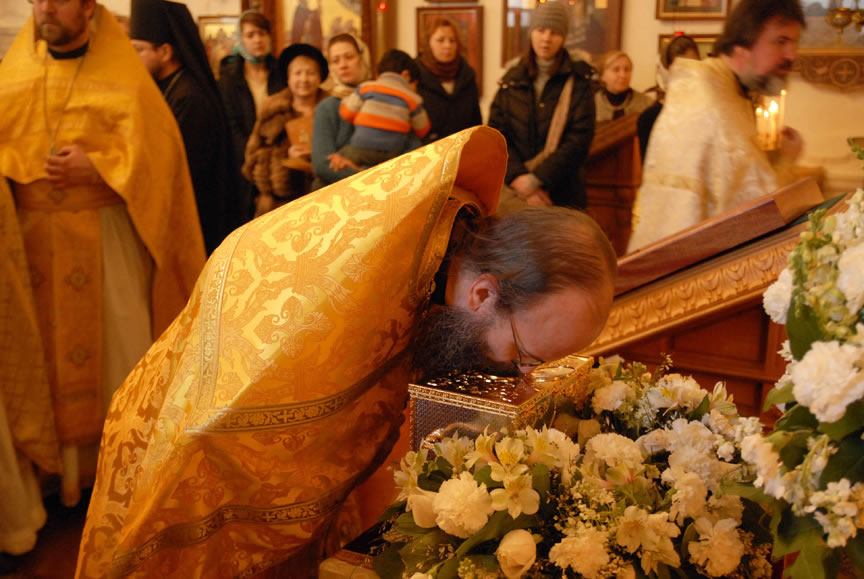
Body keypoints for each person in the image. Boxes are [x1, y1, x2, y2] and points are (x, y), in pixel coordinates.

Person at [75, 126, 617, 578]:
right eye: (523, 354)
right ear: (482, 294)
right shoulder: (351, 288)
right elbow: (226, 437)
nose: (521, 377)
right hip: (189, 454)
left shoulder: (455, 246)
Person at [0, 0, 204, 531]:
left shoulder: (125, 77)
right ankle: (52, 479)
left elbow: (161, 159)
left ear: (88, 7)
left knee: (119, 359)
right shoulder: (13, 76)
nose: (46, 7)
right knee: (38, 362)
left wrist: (102, 166)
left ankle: (115, 479)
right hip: (27, 250)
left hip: (106, 243)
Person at [628, 0, 806, 252]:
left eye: (794, 43)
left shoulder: (726, 91)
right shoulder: (709, 104)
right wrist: (786, 160)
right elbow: (752, 214)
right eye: (781, 41)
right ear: (743, 44)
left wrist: (774, 157)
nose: (791, 55)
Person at [129, 0, 236, 254]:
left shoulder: (190, 98)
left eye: (139, 50)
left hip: (194, 222)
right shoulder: (167, 88)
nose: (133, 59)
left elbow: (183, 169)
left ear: (165, 52)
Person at [488, 0, 595, 211]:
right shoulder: (511, 80)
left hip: (563, 194)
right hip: (515, 192)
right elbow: (496, 135)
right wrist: (519, 178)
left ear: (564, 37)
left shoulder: (579, 80)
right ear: (531, 32)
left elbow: (579, 139)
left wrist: (536, 180)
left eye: (554, 32)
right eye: (541, 30)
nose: (546, 38)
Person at [243, 44, 329, 216]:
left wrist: (319, 156)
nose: (304, 79)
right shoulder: (271, 110)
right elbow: (251, 159)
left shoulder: (333, 109)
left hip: (325, 201)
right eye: (297, 73)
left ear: (320, 77)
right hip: (278, 206)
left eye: (311, 73)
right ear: (288, 78)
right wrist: (285, 159)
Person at [219, 11, 285, 223]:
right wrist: (253, 158)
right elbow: (232, 126)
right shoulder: (229, 78)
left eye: (262, 33)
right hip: (243, 163)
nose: (258, 40)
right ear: (241, 39)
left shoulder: (281, 72)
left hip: (277, 161)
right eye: (250, 35)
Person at [338, 49, 430, 168]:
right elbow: (422, 130)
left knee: (339, 156)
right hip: (393, 153)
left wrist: (346, 102)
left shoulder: (366, 88)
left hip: (361, 148)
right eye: (415, 84)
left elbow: (346, 114)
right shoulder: (412, 98)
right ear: (406, 75)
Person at [310, 33, 374, 189]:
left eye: (349, 57)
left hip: (384, 188)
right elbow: (322, 164)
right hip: (339, 193)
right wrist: (363, 176)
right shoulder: (327, 107)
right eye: (335, 61)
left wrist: (364, 172)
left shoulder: (380, 98)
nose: (343, 65)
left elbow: (399, 151)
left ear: (362, 58)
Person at [415, 16, 482, 143]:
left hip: (462, 148)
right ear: (428, 43)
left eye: (452, 40)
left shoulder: (467, 75)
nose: (447, 46)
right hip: (427, 150)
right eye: (440, 40)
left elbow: (475, 121)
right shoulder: (415, 75)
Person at [637, 34, 701, 160]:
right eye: (681, 69)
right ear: (667, 72)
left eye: (693, 66)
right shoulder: (649, 118)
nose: (689, 74)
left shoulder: (708, 113)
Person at [594, 51, 654, 123]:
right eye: (616, 70)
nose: (623, 75)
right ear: (602, 75)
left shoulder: (647, 104)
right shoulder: (590, 105)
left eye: (627, 69)